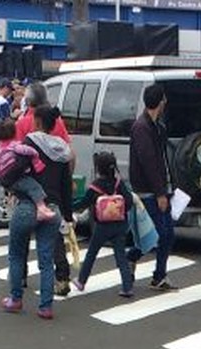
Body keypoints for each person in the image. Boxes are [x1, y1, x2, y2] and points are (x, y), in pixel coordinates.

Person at [3, 105, 71, 320]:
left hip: (27, 206)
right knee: (46, 259)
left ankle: (15, 299)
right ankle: (45, 306)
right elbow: (66, 186)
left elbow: (17, 166)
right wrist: (68, 216)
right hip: (52, 209)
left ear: (39, 121)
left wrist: (7, 181)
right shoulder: (62, 149)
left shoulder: (30, 142)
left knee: (16, 253)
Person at [128, 82, 177, 291]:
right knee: (156, 233)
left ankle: (159, 275)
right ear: (160, 101)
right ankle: (131, 258)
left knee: (166, 233)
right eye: (164, 99)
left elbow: (162, 159)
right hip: (148, 190)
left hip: (162, 187)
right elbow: (149, 162)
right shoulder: (142, 127)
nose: (166, 103)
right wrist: (160, 193)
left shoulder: (158, 126)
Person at [73, 150, 134, 296]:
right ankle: (127, 287)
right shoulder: (119, 184)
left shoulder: (95, 186)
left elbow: (83, 203)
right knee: (120, 256)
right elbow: (129, 202)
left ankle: (81, 281)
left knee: (92, 253)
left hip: (102, 226)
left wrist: (69, 208)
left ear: (98, 168)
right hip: (120, 224)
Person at [0, 118, 57, 221]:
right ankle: (41, 209)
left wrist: (0, 178)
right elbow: (28, 150)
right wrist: (35, 155)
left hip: (7, 178)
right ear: (14, 133)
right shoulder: (15, 146)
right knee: (35, 188)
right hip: (19, 177)